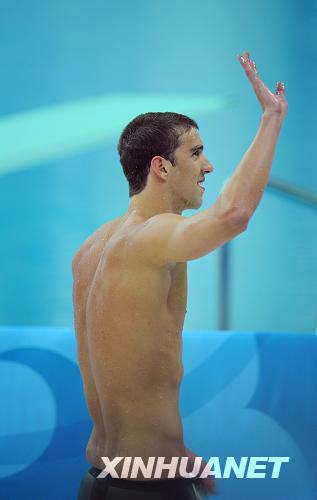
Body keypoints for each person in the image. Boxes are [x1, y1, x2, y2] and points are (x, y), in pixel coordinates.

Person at [73, 51, 288, 499]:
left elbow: (125, 381)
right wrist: (271, 118)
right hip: (147, 491)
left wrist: (180, 454)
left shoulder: (92, 249)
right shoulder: (152, 239)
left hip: (100, 480)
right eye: (196, 152)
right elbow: (233, 214)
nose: (208, 166)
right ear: (161, 167)